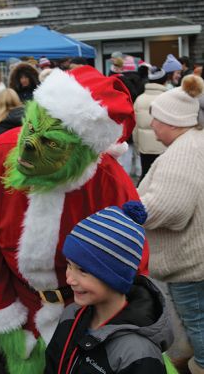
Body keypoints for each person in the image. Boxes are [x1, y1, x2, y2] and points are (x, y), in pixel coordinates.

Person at [0, 65, 149, 374]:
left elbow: (131, 265)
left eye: (50, 142)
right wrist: (1, 308)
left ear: (82, 153)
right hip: (22, 309)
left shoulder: (108, 180)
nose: (27, 147)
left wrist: (109, 329)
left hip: (86, 315)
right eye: (31, 127)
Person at [45, 202, 173, 374]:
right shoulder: (71, 314)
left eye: (82, 270)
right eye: (69, 265)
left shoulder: (138, 353)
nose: (69, 279)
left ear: (115, 277)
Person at [138, 74, 204, 374]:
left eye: (156, 119)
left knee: (198, 323)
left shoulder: (182, 154)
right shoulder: (193, 143)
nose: (152, 125)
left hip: (190, 265)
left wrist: (132, 210)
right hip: (193, 261)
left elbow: (171, 208)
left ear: (172, 121)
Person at [133, 67, 167, 181]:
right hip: (164, 146)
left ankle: (141, 197)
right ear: (164, 81)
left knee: (146, 176)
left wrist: (137, 145)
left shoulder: (139, 99)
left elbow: (135, 126)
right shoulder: (167, 98)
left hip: (145, 148)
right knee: (162, 178)